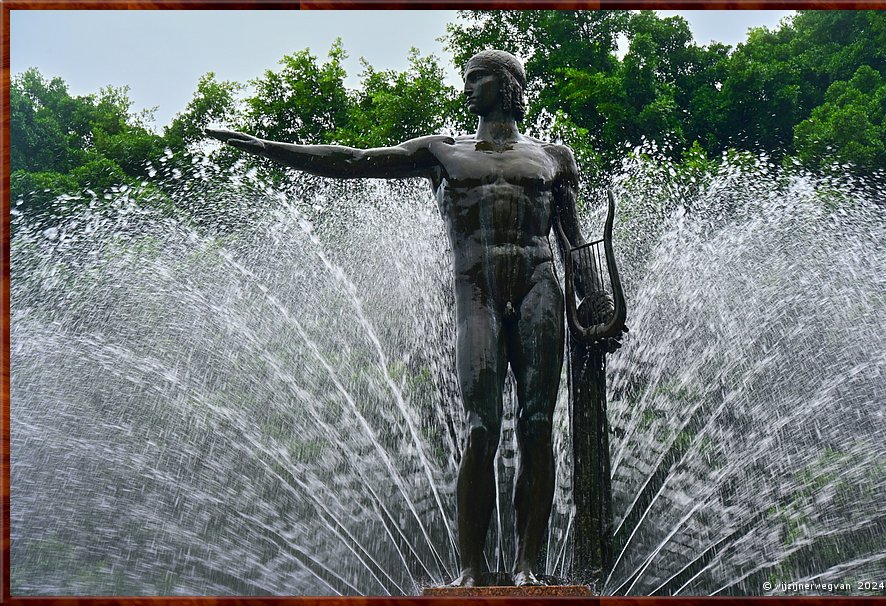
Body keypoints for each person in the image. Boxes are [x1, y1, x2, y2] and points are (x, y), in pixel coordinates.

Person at [207, 49, 621, 588]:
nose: (467, 88)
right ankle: (470, 569)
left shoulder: (553, 156)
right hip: (476, 289)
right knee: (481, 426)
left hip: (540, 285)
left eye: (477, 79)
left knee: (538, 424)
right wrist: (271, 148)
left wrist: (595, 304)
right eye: (466, 79)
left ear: (506, 85)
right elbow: (354, 161)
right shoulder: (441, 152)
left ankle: (527, 567)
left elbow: (573, 240)